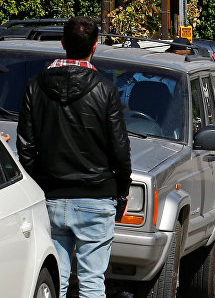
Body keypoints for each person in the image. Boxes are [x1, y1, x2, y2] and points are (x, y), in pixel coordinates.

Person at [17, 16, 132, 298]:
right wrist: (122, 189)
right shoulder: (105, 89)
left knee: (54, 280)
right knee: (92, 282)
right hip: (96, 196)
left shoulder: (35, 85)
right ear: (95, 46)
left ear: (63, 43)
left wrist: (41, 182)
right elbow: (119, 148)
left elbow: (25, 147)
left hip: (50, 197)